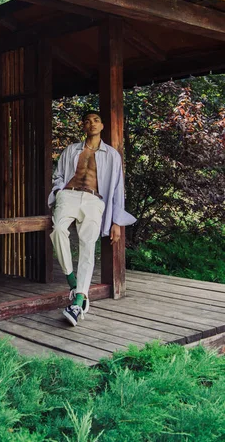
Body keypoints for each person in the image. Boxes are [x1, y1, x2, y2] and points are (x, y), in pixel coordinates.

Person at [48, 112, 136, 326]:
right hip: (68, 195)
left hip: (94, 200)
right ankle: (72, 281)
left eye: (96, 119)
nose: (92, 123)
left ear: (102, 125)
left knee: (88, 246)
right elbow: (58, 175)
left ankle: (78, 302)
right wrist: (59, 191)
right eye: (87, 121)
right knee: (58, 230)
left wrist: (116, 222)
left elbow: (117, 189)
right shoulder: (71, 150)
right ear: (83, 127)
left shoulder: (112, 155)